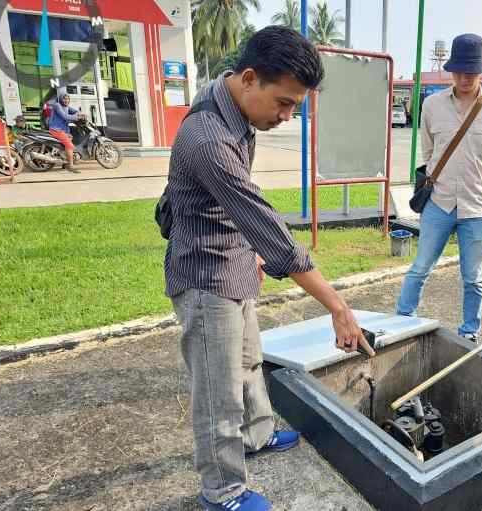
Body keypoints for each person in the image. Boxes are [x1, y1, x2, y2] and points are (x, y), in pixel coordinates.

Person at [164, 26, 374, 511]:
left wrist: (251, 250)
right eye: (284, 104)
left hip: (235, 260)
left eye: (295, 107)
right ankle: (223, 490)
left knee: (249, 362)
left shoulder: (235, 104)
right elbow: (268, 226)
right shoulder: (208, 137)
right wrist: (338, 306)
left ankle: (256, 437)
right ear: (251, 78)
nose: (287, 117)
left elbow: (232, 208)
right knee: (218, 390)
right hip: (205, 277)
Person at [396, 33, 482, 342]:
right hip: (439, 204)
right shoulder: (432, 105)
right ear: (450, 70)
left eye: (470, 71)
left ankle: (470, 332)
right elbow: (429, 152)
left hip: (476, 206)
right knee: (420, 268)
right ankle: (403, 321)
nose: (464, 77)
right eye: (458, 70)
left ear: (481, 71)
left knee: (473, 278)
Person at [48, 93, 85, 173]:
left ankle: (64, 161)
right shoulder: (57, 105)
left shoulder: (66, 107)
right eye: (64, 99)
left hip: (63, 130)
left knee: (70, 138)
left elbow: (75, 111)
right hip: (56, 129)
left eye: (68, 99)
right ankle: (70, 166)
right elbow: (65, 116)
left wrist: (81, 113)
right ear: (61, 99)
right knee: (70, 146)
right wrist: (77, 117)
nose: (66, 100)